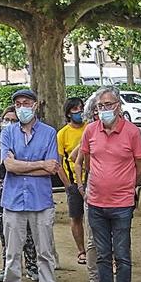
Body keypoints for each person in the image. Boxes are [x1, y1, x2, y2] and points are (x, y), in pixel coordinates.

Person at [78, 87, 141, 282]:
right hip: (96, 203)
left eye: (109, 104)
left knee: (122, 254)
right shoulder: (90, 131)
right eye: (101, 106)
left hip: (122, 204)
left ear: (119, 106)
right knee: (102, 254)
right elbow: (88, 162)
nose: (105, 110)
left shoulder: (132, 132)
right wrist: (89, 187)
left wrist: (129, 186)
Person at [0, 88, 63, 282]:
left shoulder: (49, 132)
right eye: (17, 103)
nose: (21, 106)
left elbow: (52, 168)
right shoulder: (7, 133)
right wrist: (39, 164)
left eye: (26, 102)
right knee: (12, 251)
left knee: (45, 251)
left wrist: (24, 167)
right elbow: (8, 166)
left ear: (35, 105)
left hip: (40, 201)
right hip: (13, 201)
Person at [57, 96, 90, 268]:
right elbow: (59, 162)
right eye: (76, 109)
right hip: (74, 182)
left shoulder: (90, 128)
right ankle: (81, 250)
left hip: (92, 180)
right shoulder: (62, 134)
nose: (80, 112)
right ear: (69, 113)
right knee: (76, 217)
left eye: (81, 108)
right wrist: (68, 185)